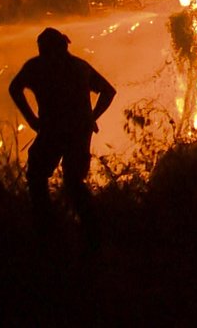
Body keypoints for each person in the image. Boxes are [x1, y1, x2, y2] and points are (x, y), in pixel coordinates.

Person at [8, 27, 116, 237]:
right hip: (77, 131)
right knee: (73, 182)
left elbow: (14, 88)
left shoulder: (37, 67)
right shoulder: (79, 66)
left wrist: (32, 120)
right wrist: (91, 117)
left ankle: (48, 229)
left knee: (38, 175)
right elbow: (108, 91)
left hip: (54, 130)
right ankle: (91, 233)